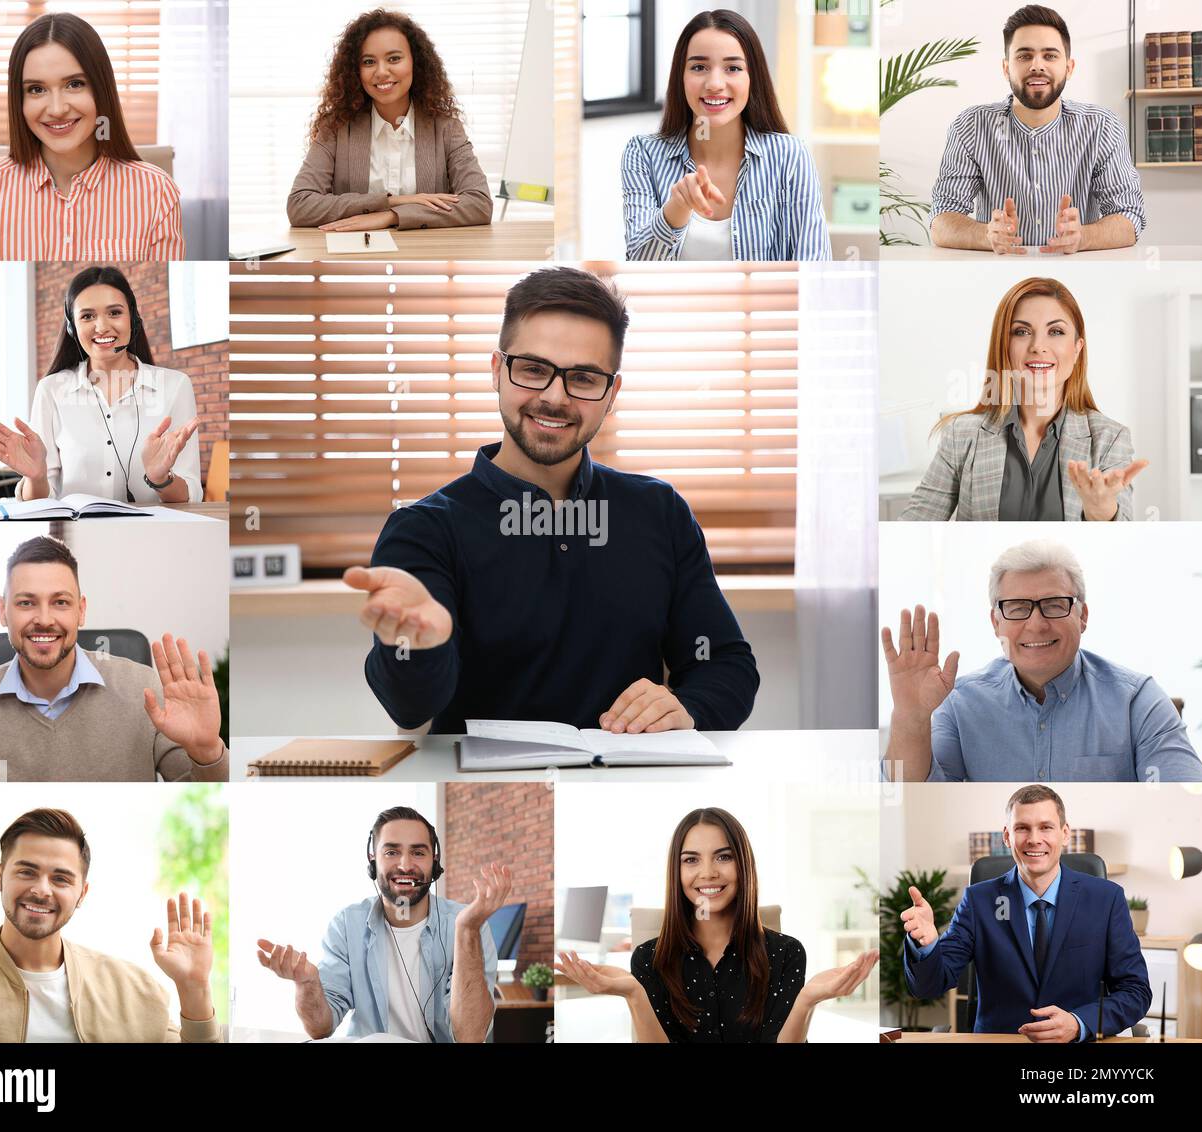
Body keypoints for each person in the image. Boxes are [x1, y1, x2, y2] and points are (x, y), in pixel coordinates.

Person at [344, 266, 759, 734]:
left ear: (612, 392)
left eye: (582, 378)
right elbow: (410, 707)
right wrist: (417, 645)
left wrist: (691, 708)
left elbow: (724, 663)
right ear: (498, 370)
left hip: (627, 776)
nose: (554, 397)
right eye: (534, 370)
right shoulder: (425, 529)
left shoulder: (658, 512)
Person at [881, 539, 1202, 782]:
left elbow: (1184, 801)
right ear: (996, 623)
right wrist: (910, 718)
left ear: (1083, 616)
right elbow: (916, 805)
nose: (1036, 624)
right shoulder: (959, 704)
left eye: (1053, 604)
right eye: (1018, 607)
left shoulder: (1136, 699)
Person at [554, 807, 877, 1042]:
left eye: (723, 857)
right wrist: (634, 995)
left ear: (743, 864)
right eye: (691, 860)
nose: (707, 872)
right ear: (676, 873)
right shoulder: (648, 960)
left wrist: (807, 1001)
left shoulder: (786, 953)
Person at [0, 808, 222, 1042]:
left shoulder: (137, 992)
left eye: (60, 878)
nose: (42, 890)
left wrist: (194, 989)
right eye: (27, 872)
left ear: (82, 893)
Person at [0, 536, 228, 783]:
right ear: (3, 611)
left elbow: (209, 815)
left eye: (60, 602)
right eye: (26, 603)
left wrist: (207, 751)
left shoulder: (145, 691)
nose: (45, 620)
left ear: (81, 610)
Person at [902, 785, 1151, 1040]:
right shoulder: (979, 901)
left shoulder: (1106, 899)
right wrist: (927, 944)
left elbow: (1136, 992)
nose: (1034, 839)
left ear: (1065, 833)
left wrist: (1078, 1023)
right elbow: (929, 986)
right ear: (1007, 836)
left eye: (1046, 827)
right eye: (1022, 828)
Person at [901, 277, 1145, 521]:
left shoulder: (1110, 438)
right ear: (1004, 346)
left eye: (1056, 332)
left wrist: (1101, 511)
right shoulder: (961, 435)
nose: (1038, 346)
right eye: (1022, 331)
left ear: (1077, 349)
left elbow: (1119, 548)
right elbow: (912, 530)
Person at [0, 12, 184, 261]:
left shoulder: (156, 193)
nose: (57, 109)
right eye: (36, 89)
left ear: (101, 89)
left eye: (74, 84)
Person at [257, 806, 501, 1043]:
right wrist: (307, 984)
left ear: (434, 862)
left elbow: (471, 1036)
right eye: (391, 852)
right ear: (372, 860)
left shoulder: (468, 926)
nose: (405, 865)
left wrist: (467, 930)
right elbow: (320, 1028)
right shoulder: (346, 925)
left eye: (418, 853)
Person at [0, 265, 203, 505]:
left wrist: (161, 478)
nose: (102, 326)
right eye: (87, 316)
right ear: (72, 327)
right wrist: (36, 477)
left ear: (133, 319)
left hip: (154, 536)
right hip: (73, 537)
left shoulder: (175, 386)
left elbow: (191, 498)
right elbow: (43, 502)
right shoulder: (51, 391)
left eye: (115, 313)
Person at [929, 5, 1143, 254]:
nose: (1036, 66)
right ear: (1006, 67)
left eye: (1050, 56)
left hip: (1080, 278)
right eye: (1024, 55)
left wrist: (1083, 236)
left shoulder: (1103, 127)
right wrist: (986, 235)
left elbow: (1130, 217)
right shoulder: (970, 127)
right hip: (995, 279)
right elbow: (941, 220)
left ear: (1069, 67)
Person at [621, 9, 829, 261]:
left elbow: (814, 269)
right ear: (681, 77)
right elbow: (639, 266)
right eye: (699, 67)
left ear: (753, 77)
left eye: (732, 68)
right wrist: (675, 210)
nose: (715, 83)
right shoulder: (643, 154)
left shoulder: (789, 156)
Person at [287, 9, 492, 233]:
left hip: (426, 258)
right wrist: (392, 201)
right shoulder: (337, 128)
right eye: (368, 62)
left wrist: (391, 216)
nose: (381, 72)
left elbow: (479, 203)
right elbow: (300, 205)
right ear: (355, 70)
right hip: (354, 260)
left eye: (394, 58)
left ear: (416, 62)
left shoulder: (445, 128)